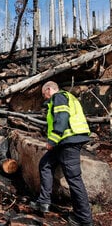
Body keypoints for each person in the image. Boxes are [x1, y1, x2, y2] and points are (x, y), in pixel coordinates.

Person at [29, 81, 93, 226]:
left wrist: (52, 140)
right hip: (64, 142)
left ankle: (84, 219)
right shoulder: (66, 97)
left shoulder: (58, 97)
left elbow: (62, 118)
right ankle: (44, 202)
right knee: (45, 164)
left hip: (68, 141)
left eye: (44, 94)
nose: (45, 98)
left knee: (74, 180)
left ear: (49, 90)